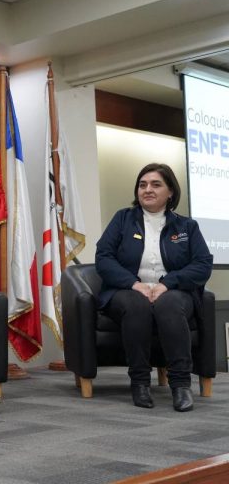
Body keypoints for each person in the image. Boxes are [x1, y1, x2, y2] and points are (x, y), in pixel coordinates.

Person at [96, 163, 213, 412]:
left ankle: (180, 385)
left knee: (168, 305)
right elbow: (103, 258)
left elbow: (202, 264)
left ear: (170, 192)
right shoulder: (123, 219)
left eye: (156, 184)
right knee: (136, 304)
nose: (147, 189)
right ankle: (139, 383)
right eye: (142, 185)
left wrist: (167, 284)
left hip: (174, 293)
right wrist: (133, 284)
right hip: (127, 291)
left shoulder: (187, 227)